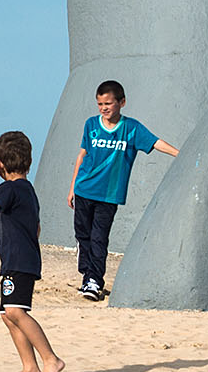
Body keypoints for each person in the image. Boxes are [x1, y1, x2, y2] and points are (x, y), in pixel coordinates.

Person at [68, 80, 179, 301]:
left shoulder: (131, 128)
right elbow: (82, 155)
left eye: (108, 103)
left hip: (108, 195)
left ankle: (94, 281)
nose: (104, 108)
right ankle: (87, 274)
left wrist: (180, 153)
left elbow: (155, 142)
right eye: (100, 104)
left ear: (122, 102)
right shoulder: (91, 124)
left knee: (99, 237)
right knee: (83, 235)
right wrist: (72, 188)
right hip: (83, 189)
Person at [0, 131, 63, 372]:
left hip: (17, 261)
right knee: (8, 314)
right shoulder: (28, 190)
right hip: (20, 260)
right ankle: (30, 368)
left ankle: (50, 359)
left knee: (15, 311)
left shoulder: (9, 189)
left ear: (0, 164)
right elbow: (36, 228)